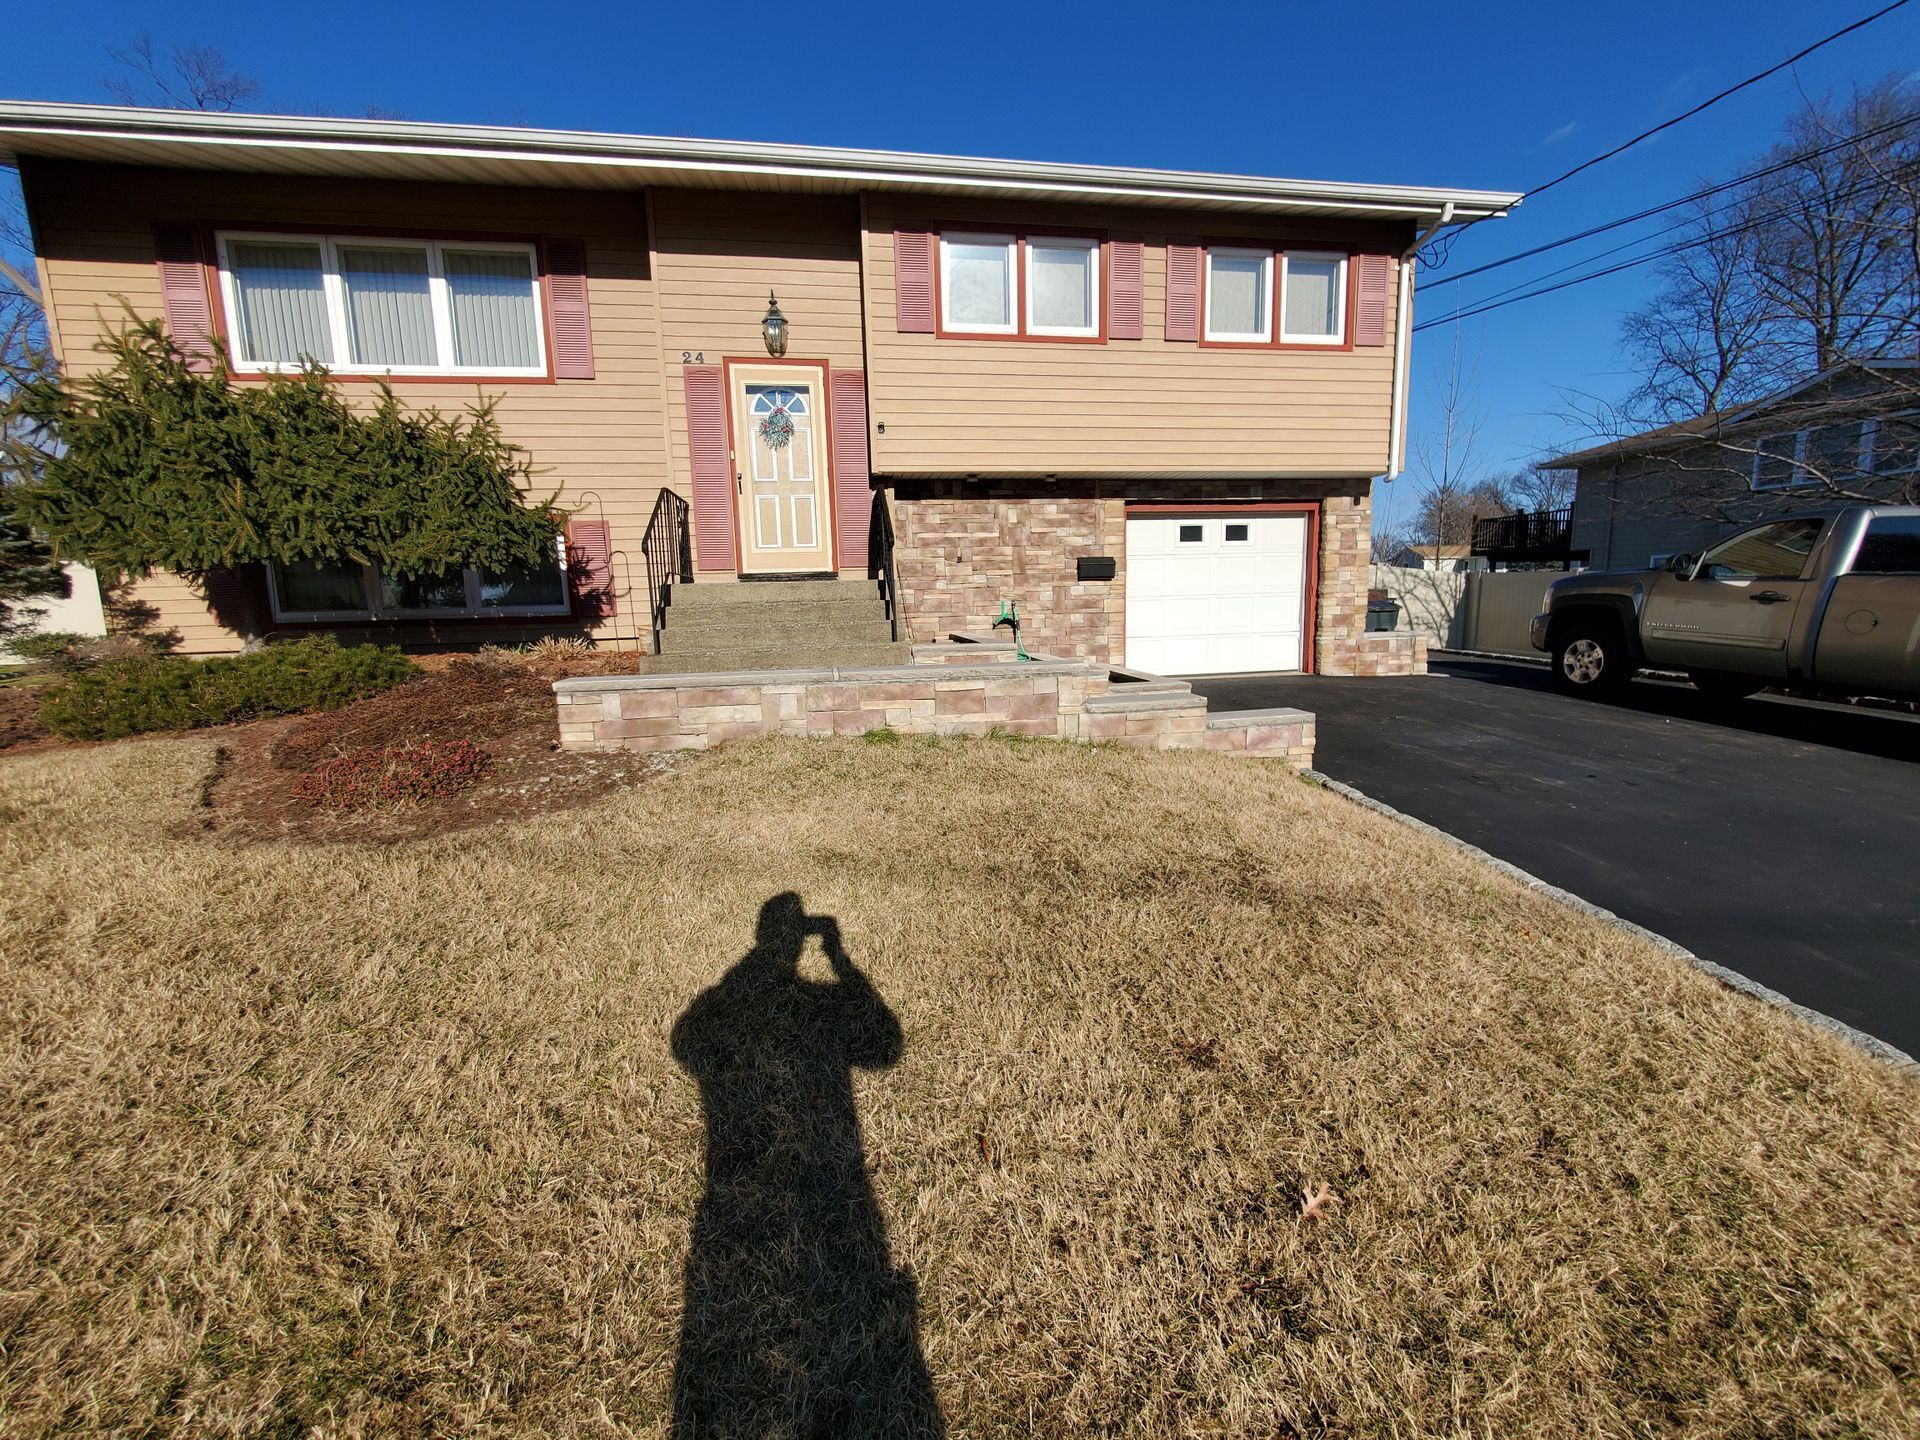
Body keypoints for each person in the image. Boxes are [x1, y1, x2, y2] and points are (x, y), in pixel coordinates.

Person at [669, 893, 944, 1438]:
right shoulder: (817, 1004)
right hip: (835, 1190)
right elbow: (884, 1047)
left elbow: (688, 1042)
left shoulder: (726, 1003)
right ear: (798, 940)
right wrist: (840, 961)